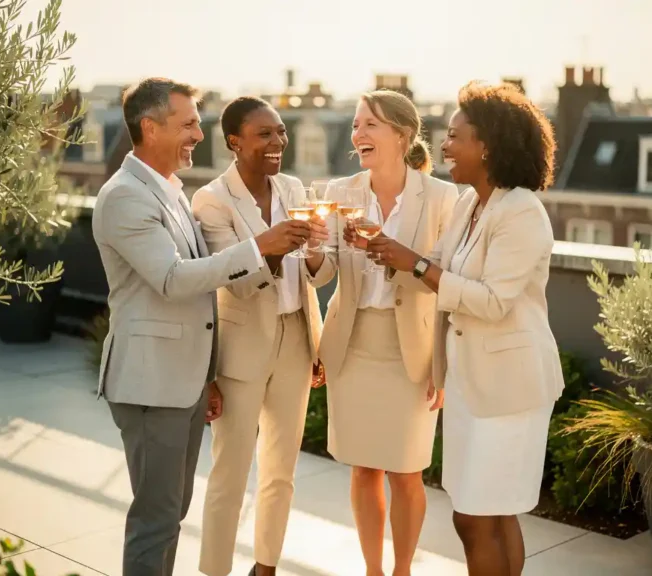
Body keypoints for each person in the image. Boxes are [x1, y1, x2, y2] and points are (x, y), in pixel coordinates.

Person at [91, 79, 312, 576]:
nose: (197, 133)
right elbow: (174, 279)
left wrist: (208, 375)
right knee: (156, 519)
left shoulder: (169, 191)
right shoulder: (125, 196)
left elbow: (203, 297)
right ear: (150, 128)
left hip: (183, 379)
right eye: (188, 123)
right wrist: (262, 247)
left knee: (171, 513)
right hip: (152, 382)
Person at [366, 81, 565, 576]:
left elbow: (492, 302)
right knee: (488, 514)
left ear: (488, 145)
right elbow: (434, 269)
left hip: (508, 390)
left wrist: (414, 263)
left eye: (456, 136)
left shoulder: (521, 212)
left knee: (478, 517)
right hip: (470, 385)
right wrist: (381, 247)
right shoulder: (468, 204)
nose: (445, 146)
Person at [192, 96, 336, 576]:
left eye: (281, 132)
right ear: (234, 142)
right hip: (242, 347)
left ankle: (266, 567)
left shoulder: (294, 188)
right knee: (230, 473)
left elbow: (319, 276)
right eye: (265, 134)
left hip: (296, 338)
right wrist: (272, 247)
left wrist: (313, 252)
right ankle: (215, 570)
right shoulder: (212, 200)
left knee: (281, 472)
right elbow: (233, 282)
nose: (278, 142)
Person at [318, 89, 458, 576]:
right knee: (363, 467)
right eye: (356, 125)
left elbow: (444, 284)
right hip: (353, 345)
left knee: (406, 471)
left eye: (370, 125)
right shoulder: (340, 192)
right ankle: (373, 571)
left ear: (402, 135)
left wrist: (441, 364)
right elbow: (323, 273)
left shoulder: (442, 197)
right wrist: (313, 251)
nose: (358, 133)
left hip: (411, 352)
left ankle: (402, 571)